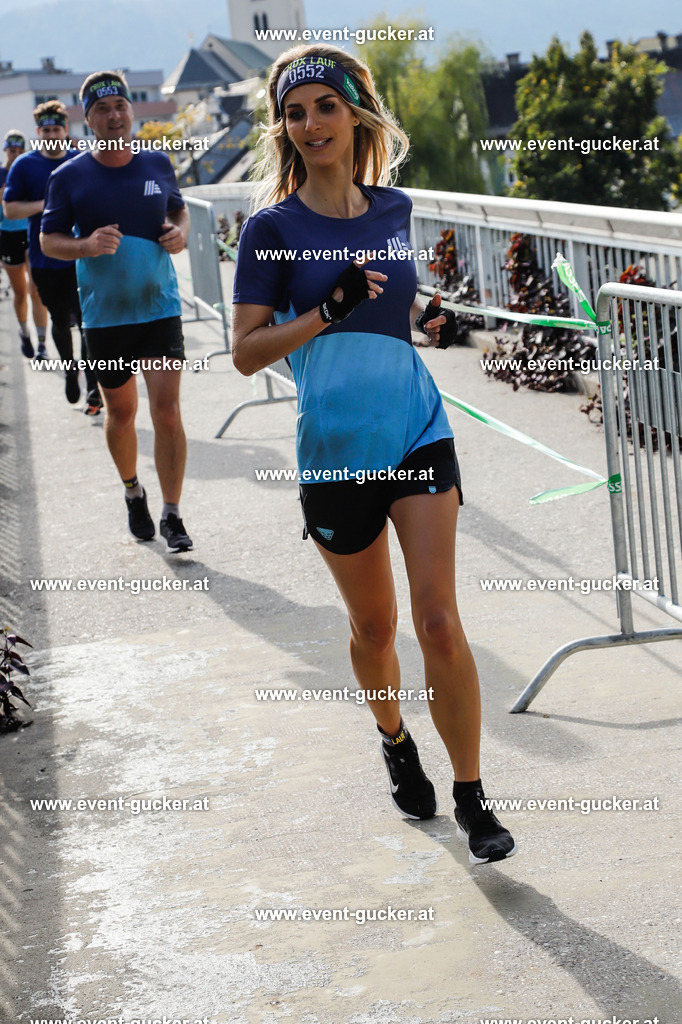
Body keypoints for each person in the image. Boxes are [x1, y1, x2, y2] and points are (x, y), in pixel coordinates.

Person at [232, 45, 516, 864]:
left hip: (416, 432)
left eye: (325, 106)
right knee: (375, 625)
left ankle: (471, 795)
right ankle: (394, 739)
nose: (311, 123)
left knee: (437, 619)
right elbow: (248, 351)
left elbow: (394, 302)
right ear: (284, 129)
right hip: (334, 452)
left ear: (355, 113)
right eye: (295, 112)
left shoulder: (395, 209)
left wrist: (424, 317)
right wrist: (326, 311)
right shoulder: (272, 228)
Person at [40, 71, 193, 552]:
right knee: (122, 413)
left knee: (167, 412)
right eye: (102, 110)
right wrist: (85, 244)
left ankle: (172, 514)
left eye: (120, 106)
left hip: (159, 308)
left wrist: (178, 232)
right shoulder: (68, 177)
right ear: (87, 119)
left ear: (132, 112)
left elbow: (179, 212)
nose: (113, 116)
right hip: (105, 316)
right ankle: (132, 491)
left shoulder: (157, 163)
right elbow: (48, 241)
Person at [2, 102, 101, 412]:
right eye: (46, 130)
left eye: (57, 129)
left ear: (65, 130)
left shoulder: (81, 160)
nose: (52, 134)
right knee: (60, 320)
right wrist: (47, 204)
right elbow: (10, 209)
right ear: (38, 133)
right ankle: (71, 370)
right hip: (45, 258)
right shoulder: (25, 165)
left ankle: (93, 385)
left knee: (88, 323)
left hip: (83, 257)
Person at [0, 130, 49, 359]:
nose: (16, 155)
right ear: (5, 150)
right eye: (12, 151)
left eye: (20, 151)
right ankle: (24, 332)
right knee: (20, 293)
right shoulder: (1, 173)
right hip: (7, 237)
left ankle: (42, 344)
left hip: (30, 233)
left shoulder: (27, 170)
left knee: (37, 290)